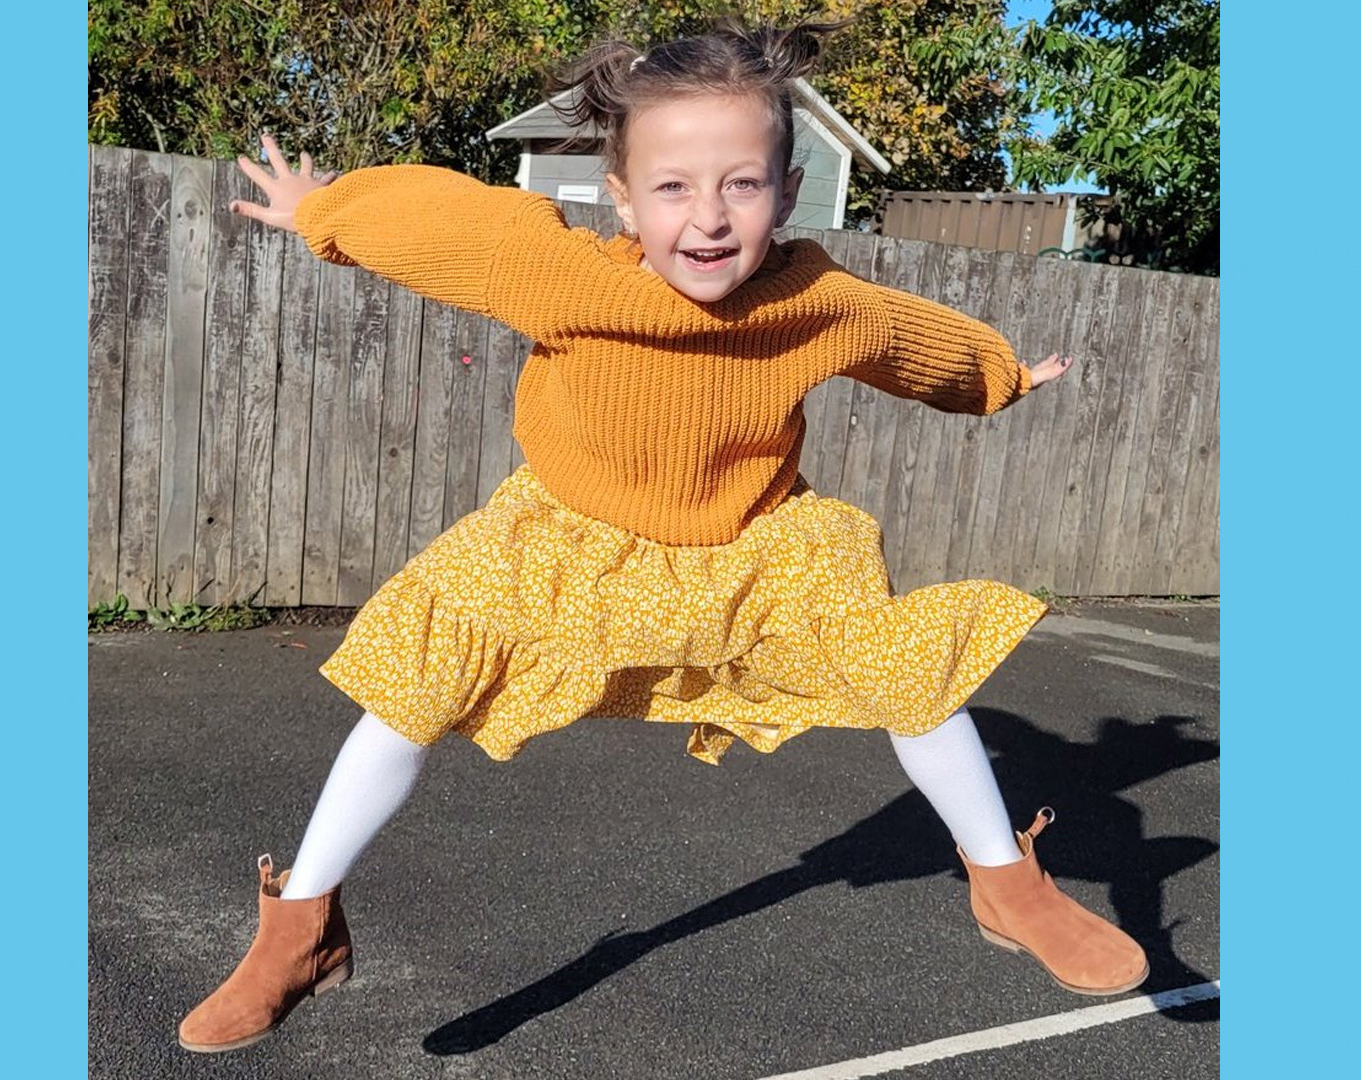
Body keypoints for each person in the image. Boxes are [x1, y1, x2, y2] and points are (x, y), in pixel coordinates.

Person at [175, 18, 1146, 1055]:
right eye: (675, 187)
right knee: (413, 683)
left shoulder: (813, 299)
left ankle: (1004, 882)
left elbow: (909, 338)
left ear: (786, 190)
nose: (712, 218)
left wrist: (997, 377)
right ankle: (303, 925)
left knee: (902, 664)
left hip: (756, 545)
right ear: (624, 197)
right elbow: (438, 224)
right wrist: (321, 209)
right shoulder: (565, 273)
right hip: (569, 540)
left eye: (743, 184)